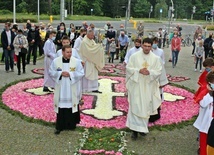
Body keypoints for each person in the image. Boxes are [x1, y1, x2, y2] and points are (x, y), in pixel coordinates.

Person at [126, 38, 162, 140]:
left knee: (146, 107)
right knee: (136, 106)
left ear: (151, 46)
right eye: (145, 46)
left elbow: (158, 71)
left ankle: (142, 128)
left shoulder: (155, 58)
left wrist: (150, 72)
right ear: (142, 45)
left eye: (149, 46)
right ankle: (134, 131)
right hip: (136, 86)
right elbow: (129, 68)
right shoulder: (134, 56)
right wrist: (138, 71)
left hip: (148, 87)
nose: (147, 48)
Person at [49, 44, 84, 135]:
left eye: (70, 52)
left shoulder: (76, 62)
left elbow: (81, 72)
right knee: (61, 107)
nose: (69, 54)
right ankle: (60, 126)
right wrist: (60, 74)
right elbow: (51, 72)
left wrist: (71, 75)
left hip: (71, 87)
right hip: (61, 88)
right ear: (63, 52)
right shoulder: (56, 61)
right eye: (67, 52)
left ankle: (70, 125)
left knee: (71, 106)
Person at [193, 71, 214, 155]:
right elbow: (203, 104)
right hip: (206, 125)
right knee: (204, 147)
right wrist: (210, 93)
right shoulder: (207, 94)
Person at [149, 37, 168, 122]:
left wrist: (162, 82)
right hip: (147, 82)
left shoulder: (158, 57)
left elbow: (162, 68)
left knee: (156, 97)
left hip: (156, 82)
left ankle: (155, 116)